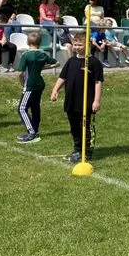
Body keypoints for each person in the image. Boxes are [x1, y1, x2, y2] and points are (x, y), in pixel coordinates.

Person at [50, 31, 104, 163]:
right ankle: (77, 149)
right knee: (74, 127)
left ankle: (87, 152)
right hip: (71, 101)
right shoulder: (71, 61)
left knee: (85, 128)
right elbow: (62, 77)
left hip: (86, 102)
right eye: (75, 44)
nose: (77, 47)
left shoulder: (94, 63)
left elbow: (98, 82)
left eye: (80, 45)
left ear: (88, 45)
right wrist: (55, 90)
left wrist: (96, 100)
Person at [16, 31, 58, 144]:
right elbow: (57, 63)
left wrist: (22, 83)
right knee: (35, 107)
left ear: (27, 42)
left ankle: (32, 133)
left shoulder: (26, 55)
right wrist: (44, 67)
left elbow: (20, 73)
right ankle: (36, 130)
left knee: (21, 109)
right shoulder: (42, 54)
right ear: (40, 43)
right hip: (40, 84)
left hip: (30, 84)